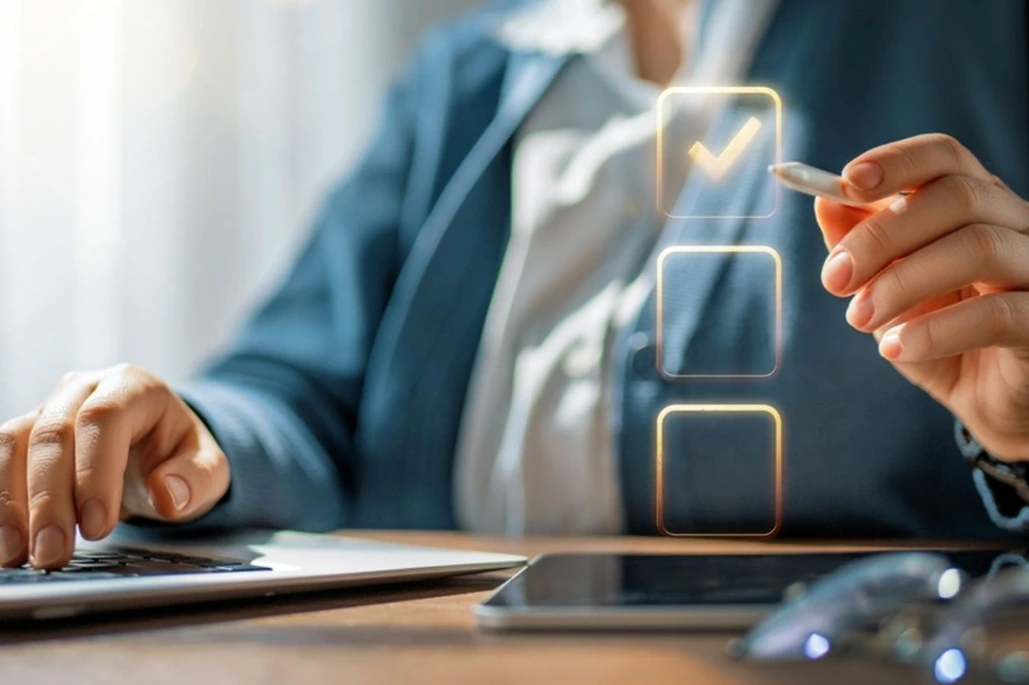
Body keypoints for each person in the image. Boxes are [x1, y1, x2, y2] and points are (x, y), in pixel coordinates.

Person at [2, 0, 1029, 570]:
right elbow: (299, 391)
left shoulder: (971, 35)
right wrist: (190, 437)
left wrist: (1020, 440)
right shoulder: (468, 76)